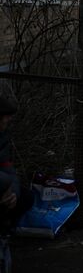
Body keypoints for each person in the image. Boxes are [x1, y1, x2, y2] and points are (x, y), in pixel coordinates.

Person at [0, 96, 33, 233]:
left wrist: (13, 193)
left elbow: (7, 167)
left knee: (25, 197)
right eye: (5, 117)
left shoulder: (3, 136)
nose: (9, 120)